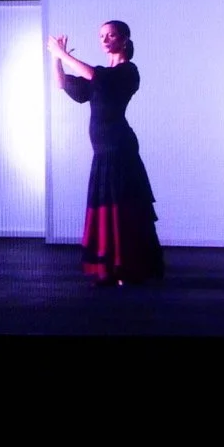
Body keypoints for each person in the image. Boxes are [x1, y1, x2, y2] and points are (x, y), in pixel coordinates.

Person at [46, 20, 164, 286]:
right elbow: (63, 84)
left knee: (123, 206)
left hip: (119, 146)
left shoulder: (128, 72)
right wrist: (57, 59)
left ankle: (129, 268)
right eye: (101, 36)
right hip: (101, 151)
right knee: (107, 208)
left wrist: (65, 54)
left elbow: (97, 77)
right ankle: (113, 267)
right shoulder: (98, 78)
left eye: (110, 35)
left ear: (123, 39)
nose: (105, 39)